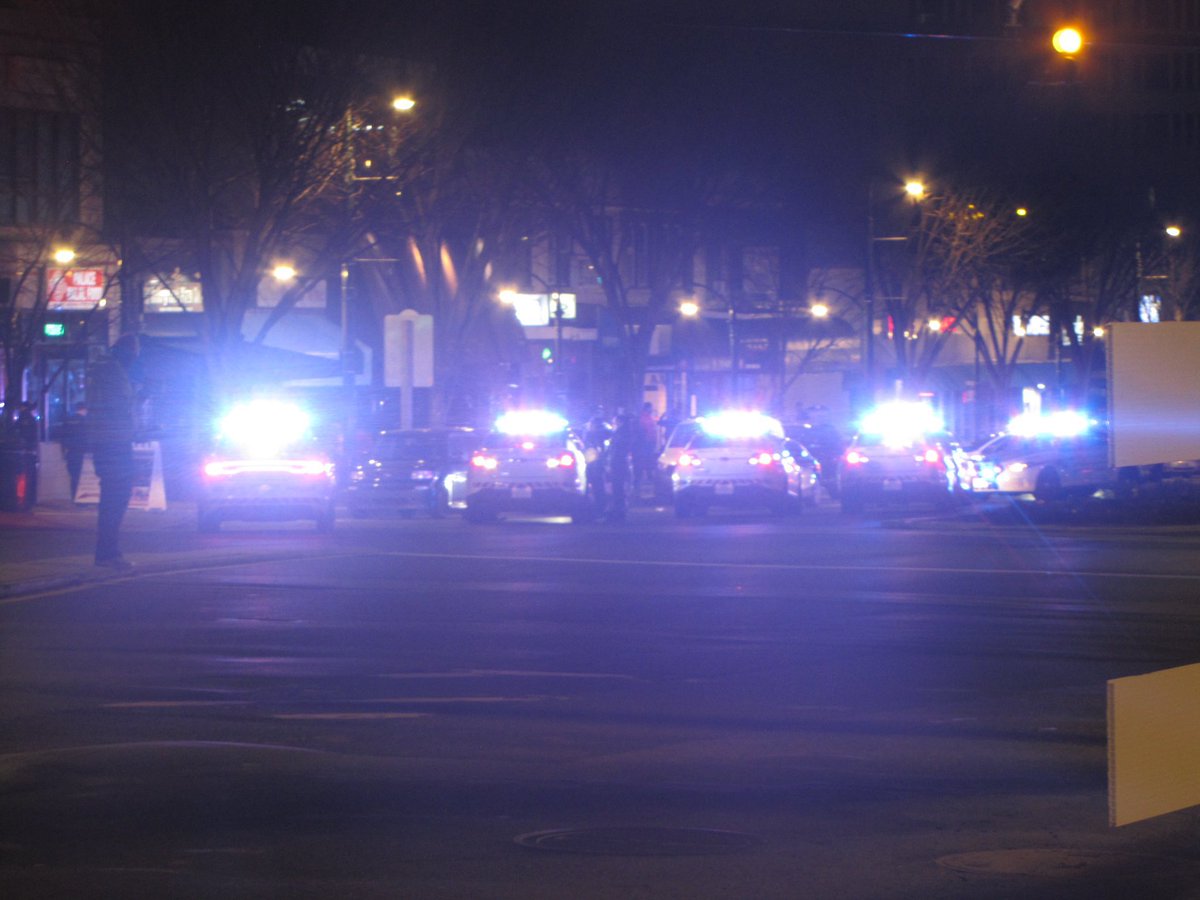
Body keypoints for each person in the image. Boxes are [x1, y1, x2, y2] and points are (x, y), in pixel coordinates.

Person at [86, 333, 141, 569]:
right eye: (134, 353)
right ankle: (107, 552)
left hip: (109, 441)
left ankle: (107, 551)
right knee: (115, 496)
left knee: (114, 496)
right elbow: (118, 407)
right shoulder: (112, 372)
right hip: (114, 442)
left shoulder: (106, 371)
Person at [606, 412, 636, 522]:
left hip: (618, 462)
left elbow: (616, 448)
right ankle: (620, 509)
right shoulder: (625, 431)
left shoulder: (621, 432)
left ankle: (619, 510)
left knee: (617, 487)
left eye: (615, 421)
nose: (613, 424)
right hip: (621, 462)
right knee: (619, 487)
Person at [583, 411, 612, 517]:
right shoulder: (605, 433)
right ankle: (599, 508)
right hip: (597, 465)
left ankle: (598, 509)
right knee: (598, 488)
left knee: (597, 488)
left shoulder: (592, 435)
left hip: (594, 466)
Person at [60, 404, 88, 501]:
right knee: (82, 477)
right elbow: (87, 438)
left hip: (70, 452)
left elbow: (62, 436)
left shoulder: (68, 420)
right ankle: (81, 500)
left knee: (74, 476)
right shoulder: (85, 421)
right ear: (85, 409)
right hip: (81, 453)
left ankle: (74, 497)